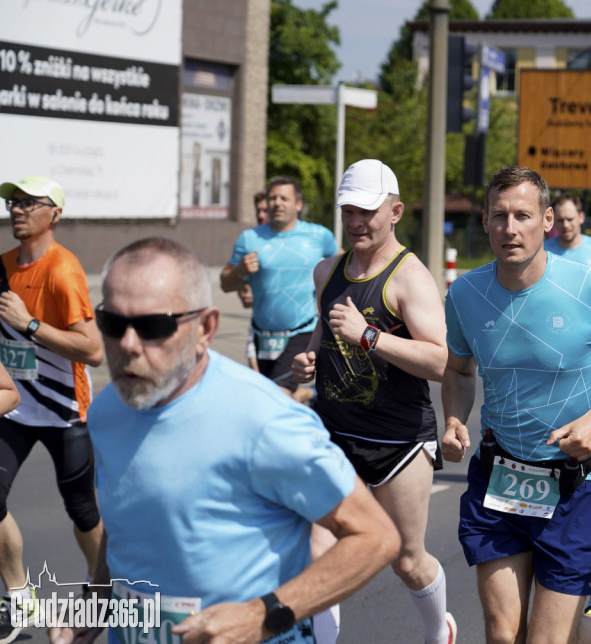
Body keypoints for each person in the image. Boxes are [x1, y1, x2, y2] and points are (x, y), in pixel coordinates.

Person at [50, 237, 400, 644]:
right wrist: (96, 599)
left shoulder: (264, 418)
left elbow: (375, 537)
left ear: (206, 329)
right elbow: (127, 515)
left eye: (153, 327)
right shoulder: (109, 408)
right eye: (112, 323)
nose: (128, 345)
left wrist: (262, 614)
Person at [442, 166, 591, 644]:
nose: (509, 228)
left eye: (522, 215)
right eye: (499, 216)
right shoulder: (463, 293)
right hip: (499, 477)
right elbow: (459, 370)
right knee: (504, 637)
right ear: (484, 222)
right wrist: (455, 419)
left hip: (574, 484)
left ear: (546, 221)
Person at [291, 159, 455, 644]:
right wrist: (310, 359)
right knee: (322, 552)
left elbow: (441, 362)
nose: (357, 221)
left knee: (406, 560)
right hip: (337, 434)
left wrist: (369, 337)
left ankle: (437, 630)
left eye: (367, 211)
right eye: (348, 211)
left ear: (396, 211)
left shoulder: (411, 279)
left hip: (399, 441)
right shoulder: (328, 270)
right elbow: (326, 326)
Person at [0, 176, 105, 643]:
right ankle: (20, 598)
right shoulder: (1, 266)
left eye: (28, 202)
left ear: (54, 214)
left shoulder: (64, 271)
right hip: (14, 408)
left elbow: (93, 350)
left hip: (64, 411)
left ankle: (103, 591)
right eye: (12, 202)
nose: (16, 209)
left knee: (83, 510)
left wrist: (30, 323)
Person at [221, 177, 338, 402]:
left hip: (301, 330)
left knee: (276, 397)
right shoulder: (250, 238)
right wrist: (239, 273)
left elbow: (344, 266)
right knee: (267, 394)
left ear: (298, 204)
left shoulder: (319, 236)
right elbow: (225, 283)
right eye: (272, 198)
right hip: (261, 335)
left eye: (284, 198)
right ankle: (306, 394)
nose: (277, 203)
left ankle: (299, 407)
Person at [544, 194, 591, 277]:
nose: (565, 225)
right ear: (553, 220)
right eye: (560, 220)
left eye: (570, 219)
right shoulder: (543, 250)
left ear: (581, 217)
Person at [240, 191, 270, 371]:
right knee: (257, 376)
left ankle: (309, 393)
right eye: (258, 211)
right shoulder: (250, 240)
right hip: (259, 325)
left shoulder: (299, 239)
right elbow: (239, 279)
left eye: (265, 211)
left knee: (280, 388)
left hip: (295, 329)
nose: (260, 215)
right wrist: (243, 289)